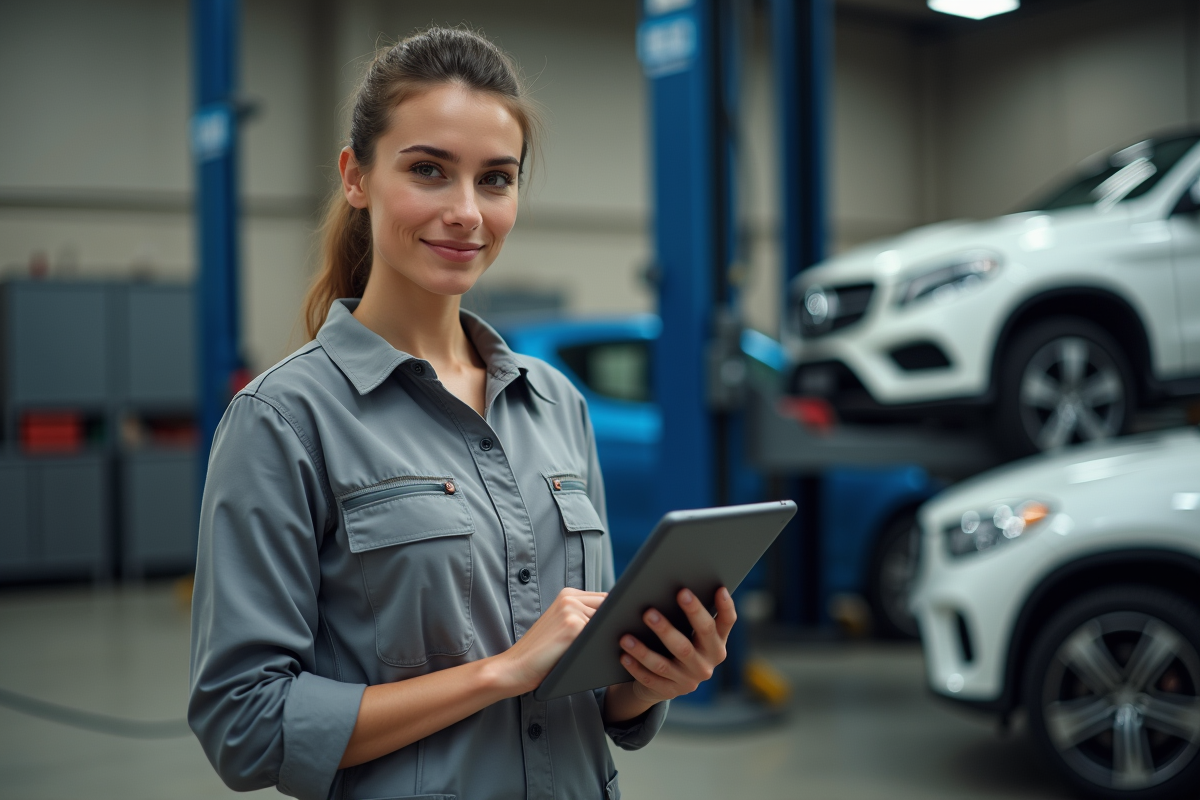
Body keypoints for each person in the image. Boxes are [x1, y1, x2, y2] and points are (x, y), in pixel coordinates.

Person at [188, 26, 737, 800]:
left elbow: (592, 685)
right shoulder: (283, 420)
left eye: (495, 180)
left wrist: (654, 676)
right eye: (428, 171)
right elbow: (244, 727)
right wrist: (499, 673)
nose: (466, 213)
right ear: (356, 177)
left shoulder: (557, 405)